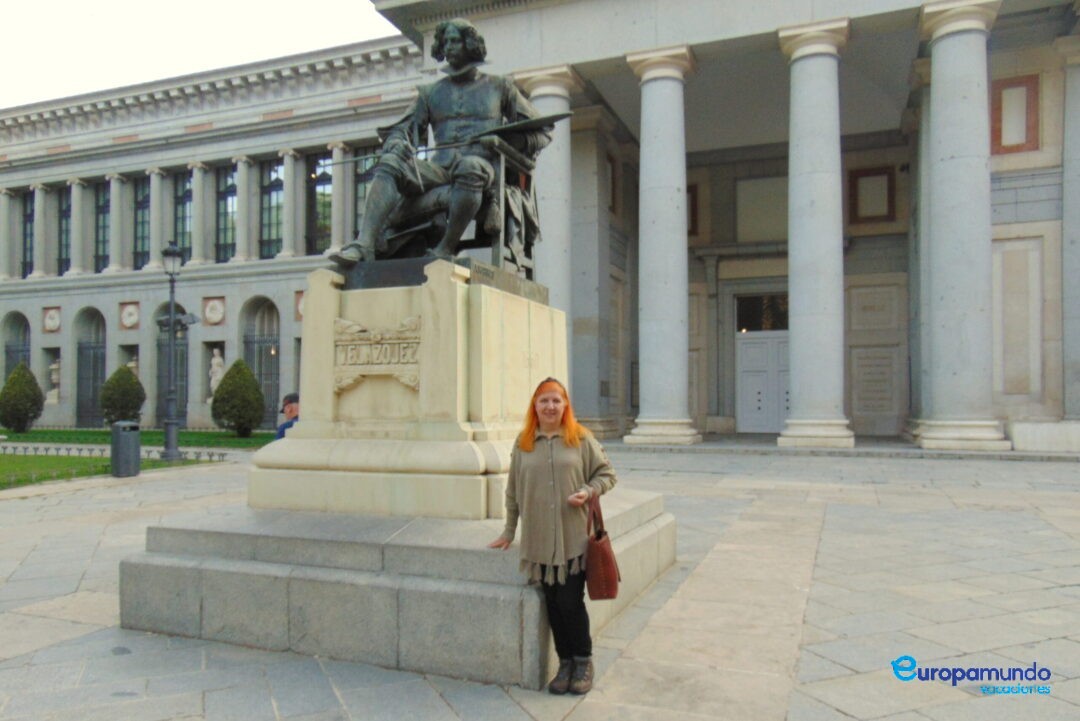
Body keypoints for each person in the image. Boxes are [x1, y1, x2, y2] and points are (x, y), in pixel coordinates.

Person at [330, 17, 551, 265]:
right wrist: (397, 142)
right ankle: (365, 244)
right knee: (391, 161)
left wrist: (506, 144)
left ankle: (445, 247)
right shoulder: (430, 93)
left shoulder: (500, 87)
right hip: (438, 169)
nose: (449, 47)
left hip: (482, 167)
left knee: (470, 168)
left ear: (470, 45)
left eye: (455, 41)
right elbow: (401, 130)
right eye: (445, 42)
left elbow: (541, 131)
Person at [488, 378, 616, 695]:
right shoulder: (524, 442)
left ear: (565, 405)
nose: (550, 406)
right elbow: (513, 491)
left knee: (570, 602)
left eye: (556, 401)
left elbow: (607, 475)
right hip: (538, 542)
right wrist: (508, 531)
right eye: (544, 401)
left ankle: (583, 660)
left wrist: (588, 491)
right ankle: (565, 664)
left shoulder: (580, 439)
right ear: (535, 405)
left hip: (572, 540)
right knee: (553, 604)